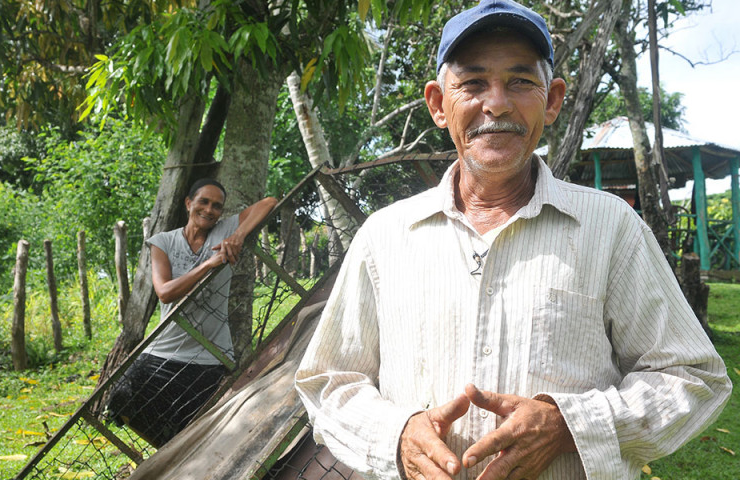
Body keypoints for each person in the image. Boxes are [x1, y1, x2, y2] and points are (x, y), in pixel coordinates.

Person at [294, 1, 732, 479]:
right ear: (438, 104)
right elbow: (327, 382)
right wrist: (397, 435)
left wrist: (570, 424)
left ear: (553, 100)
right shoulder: (385, 236)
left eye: (521, 81)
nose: (497, 103)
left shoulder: (611, 228)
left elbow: (692, 377)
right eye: (473, 83)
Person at [107, 178, 277, 447]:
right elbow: (165, 292)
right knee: (121, 398)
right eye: (203, 202)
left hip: (210, 355)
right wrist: (208, 265)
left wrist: (238, 235)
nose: (209, 210)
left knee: (198, 427)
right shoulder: (163, 242)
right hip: (164, 350)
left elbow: (269, 202)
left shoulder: (225, 230)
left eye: (217, 206)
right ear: (188, 203)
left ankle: (185, 457)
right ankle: (168, 453)